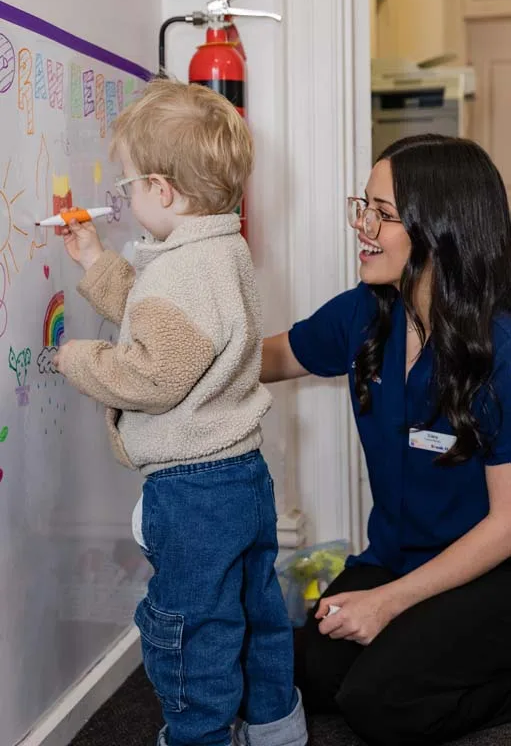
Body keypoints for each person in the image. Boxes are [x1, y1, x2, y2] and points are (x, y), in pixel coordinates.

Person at [53, 79, 307, 746]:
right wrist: (95, 261)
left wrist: (77, 358)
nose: (127, 198)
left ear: (162, 192)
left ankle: (199, 736)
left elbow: (152, 372)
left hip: (192, 488)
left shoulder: (180, 273)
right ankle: (275, 725)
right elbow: (168, 324)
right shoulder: (220, 251)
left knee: (190, 627)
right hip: (241, 473)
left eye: (131, 184)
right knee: (253, 610)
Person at [262, 134, 511, 746]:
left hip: (491, 573)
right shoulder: (367, 313)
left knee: (380, 703)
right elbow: (271, 356)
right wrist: (172, 353)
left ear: (441, 228)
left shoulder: (501, 346)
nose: (363, 226)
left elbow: (508, 524)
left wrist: (391, 604)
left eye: (383, 213)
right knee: (299, 674)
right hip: (397, 559)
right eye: (362, 205)